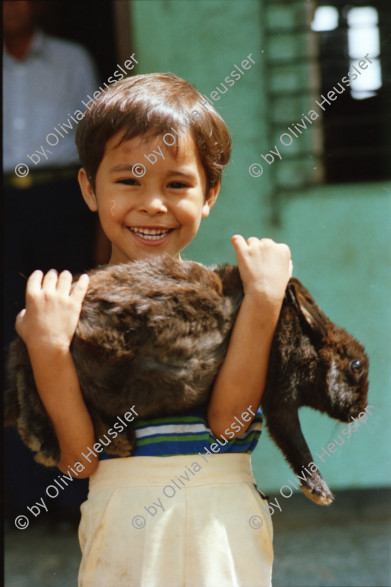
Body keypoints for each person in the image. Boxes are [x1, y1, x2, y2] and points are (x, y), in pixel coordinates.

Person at [15, 73, 292, 586]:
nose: (154, 204)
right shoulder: (70, 311)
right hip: (122, 539)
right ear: (88, 188)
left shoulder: (235, 300)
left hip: (223, 536)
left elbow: (228, 425)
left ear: (210, 192)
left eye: (177, 184)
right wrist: (49, 347)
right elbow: (79, 461)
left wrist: (265, 300)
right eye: (128, 181)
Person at [3, 0, 102, 524]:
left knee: (66, 331)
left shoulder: (71, 59)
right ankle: (21, 495)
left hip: (59, 203)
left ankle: (72, 489)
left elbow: (91, 144)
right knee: (8, 342)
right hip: (5, 208)